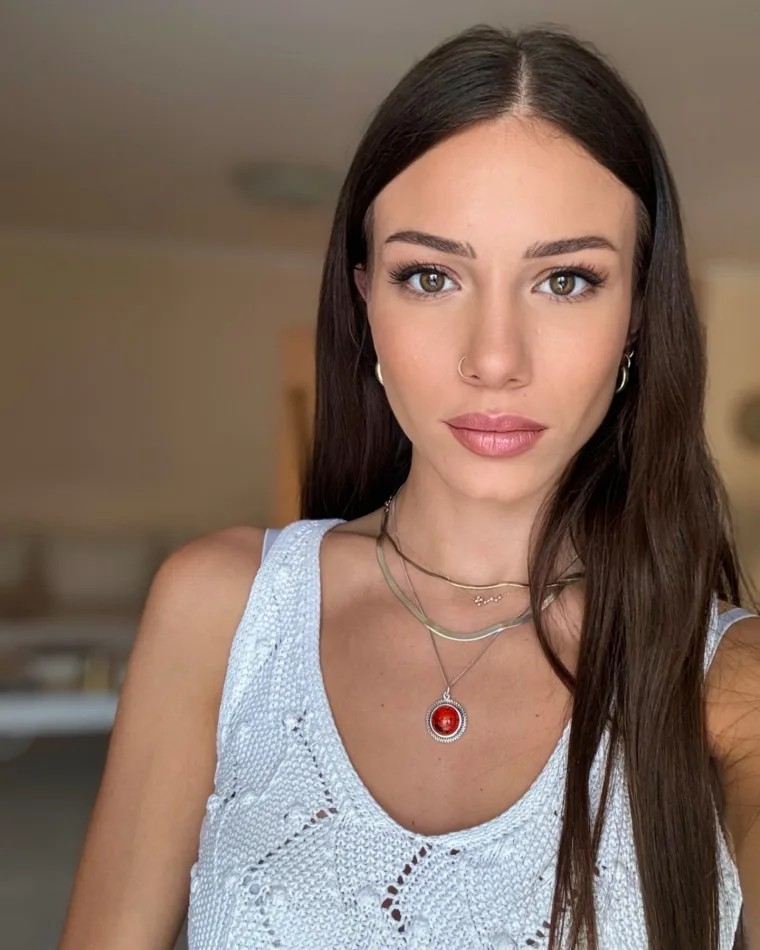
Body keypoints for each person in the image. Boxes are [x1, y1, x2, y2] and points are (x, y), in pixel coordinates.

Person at [59, 23, 760, 950]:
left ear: (636, 314)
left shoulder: (727, 683)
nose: (495, 359)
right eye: (431, 276)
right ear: (366, 300)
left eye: (564, 281)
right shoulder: (222, 611)